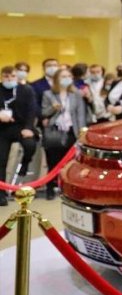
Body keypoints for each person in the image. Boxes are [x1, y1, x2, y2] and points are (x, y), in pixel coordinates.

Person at [40, 67, 87, 200]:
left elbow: (80, 114)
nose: (66, 79)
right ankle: (50, 187)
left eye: (68, 76)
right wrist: (53, 108)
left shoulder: (76, 94)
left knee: (71, 162)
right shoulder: (48, 94)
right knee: (53, 161)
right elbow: (44, 113)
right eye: (63, 77)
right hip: (54, 130)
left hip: (72, 130)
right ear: (56, 79)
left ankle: (68, 188)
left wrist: (82, 132)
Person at [0, 66, 37, 205]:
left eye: (12, 76)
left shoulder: (26, 90)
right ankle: (1, 193)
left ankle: (24, 165)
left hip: (21, 127)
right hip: (2, 129)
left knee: (30, 145)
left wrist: (28, 128)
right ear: (2, 77)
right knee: (1, 160)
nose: (9, 79)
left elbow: (32, 110)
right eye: (6, 76)